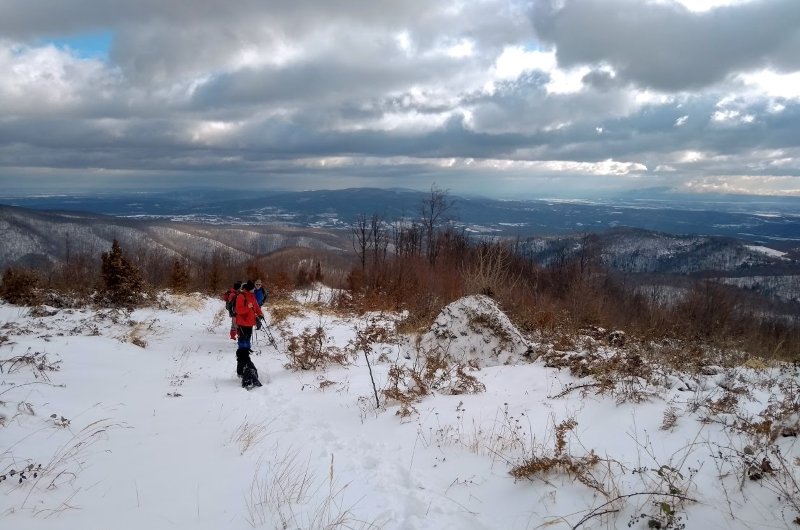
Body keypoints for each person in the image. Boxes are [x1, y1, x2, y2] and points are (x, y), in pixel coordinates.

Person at [235, 281, 264, 387]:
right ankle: (243, 363)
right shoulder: (241, 296)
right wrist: (248, 307)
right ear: (249, 288)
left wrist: (260, 314)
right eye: (253, 289)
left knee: (247, 343)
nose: (254, 290)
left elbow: (256, 307)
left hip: (249, 324)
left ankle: (245, 362)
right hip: (242, 324)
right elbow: (239, 310)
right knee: (242, 344)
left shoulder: (252, 296)